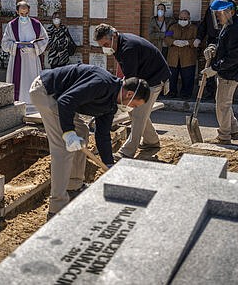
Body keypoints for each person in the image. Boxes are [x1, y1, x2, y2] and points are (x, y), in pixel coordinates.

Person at [29, 63, 150, 219]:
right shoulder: (101, 83)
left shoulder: (112, 104)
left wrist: (109, 164)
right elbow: (66, 101)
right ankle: (57, 206)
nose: (132, 108)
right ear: (129, 94)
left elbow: (103, 134)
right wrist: (68, 133)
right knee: (63, 148)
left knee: (82, 131)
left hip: (61, 99)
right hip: (46, 92)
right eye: (134, 105)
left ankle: (74, 186)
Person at [94, 23, 171, 160]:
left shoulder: (128, 48)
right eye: (102, 46)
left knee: (137, 114)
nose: (105, 48)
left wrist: (118, 99)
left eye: (106, 44)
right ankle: (151, 141)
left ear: (114, 36)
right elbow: (122, 71)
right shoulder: (118, 45)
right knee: (138, 111)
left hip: (154, 79)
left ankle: (127, 152)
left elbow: (131, 82)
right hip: (145, 77)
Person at [201, 0, 238, 145]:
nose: (218, 17)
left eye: (219, 13)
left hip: (229, 74)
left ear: (230, 11)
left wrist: (214, 69)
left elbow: (232, 57)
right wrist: (213, 48)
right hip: (227, 72)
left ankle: (224, 136)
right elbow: (224, 46)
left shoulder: (234, 29)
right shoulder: (230, 25)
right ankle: (234, 130)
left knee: (222, 106)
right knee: (224, 103)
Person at [2, 0, 49, 105]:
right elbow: (4, 43)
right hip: (17, 58)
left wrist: (34, 46)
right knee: (18, 82)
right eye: (22, 14)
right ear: (17, 12)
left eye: (26, 13)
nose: (24, 15)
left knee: (32, 80)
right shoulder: (11, 25)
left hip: (32, 58)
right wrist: (16, 45)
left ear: (29, 11)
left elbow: (44, 39)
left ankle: (34, 102)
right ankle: (17, 102)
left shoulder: (36, 24)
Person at [195, 0, 229, 101]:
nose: (219, 0)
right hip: (212, 40)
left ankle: (221, 95)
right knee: (209, 66)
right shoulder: (210, 8)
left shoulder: (231, 9)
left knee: (222, 66)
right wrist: (199, 38)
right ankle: (210, 92)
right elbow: (204, 24)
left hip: (225, 42)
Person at [164, 9, 198, 100]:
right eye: (181, 18)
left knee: (188, 77)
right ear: (178, 17)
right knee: (172, 77)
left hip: (188, 58)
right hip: (173, 58)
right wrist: (174, 41)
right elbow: (166, 38)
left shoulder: (194, 28)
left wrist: (188, 42)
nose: (183, 20)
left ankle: (186, 95)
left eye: (185, 18)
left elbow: (198, 41)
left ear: (189, 18)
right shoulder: (172, 27)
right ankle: (172, 93)